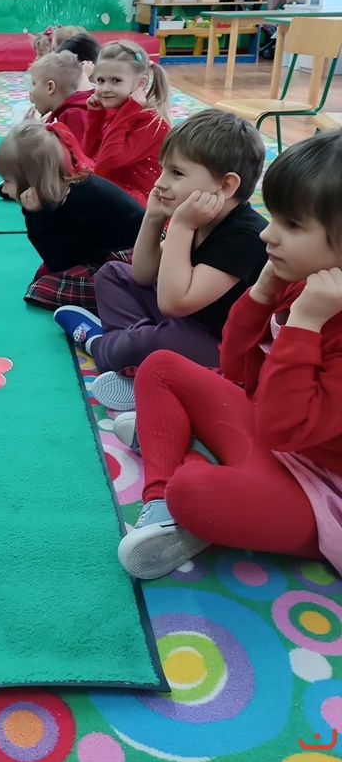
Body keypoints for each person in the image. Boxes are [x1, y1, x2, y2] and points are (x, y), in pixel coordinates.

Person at [116, 131, 342, 581]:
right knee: (160, 365)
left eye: (293, 225)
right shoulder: (305, 283)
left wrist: (304, 326)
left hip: (320, 492)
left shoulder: (317, 309)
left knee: (194, 491)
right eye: (274, 217)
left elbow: (284, 426)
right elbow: (237, 369)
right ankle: (160, 499)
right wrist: (261, 294)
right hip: (274, 442)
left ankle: (178, 449)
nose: (269, 234)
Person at [54, 110, 268, 412]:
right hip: (185, 324)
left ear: (225, 186)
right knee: (112, 273)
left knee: (153, 341)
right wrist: (154, 218)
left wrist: (180, 227)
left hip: (222, 349)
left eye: (176, 173)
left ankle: (100, 345)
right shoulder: (200, 217)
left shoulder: (245, 235)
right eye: (163, 169)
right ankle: (136, 360)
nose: (159, 182)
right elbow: (142, 275)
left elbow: (173, 304)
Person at [0, 120, 144, 310]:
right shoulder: (67, 188)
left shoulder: (78, 200)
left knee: (43, 287)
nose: (4, 189)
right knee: (46, 275)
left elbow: (59, 261)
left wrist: (36, 216)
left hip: (135, 257)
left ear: (32, 181)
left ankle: (130, 300)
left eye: (7, 180)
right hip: (116, 250)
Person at [84, 40, 172, 206]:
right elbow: (88, 158)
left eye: (116, 80)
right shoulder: (112, 113)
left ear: (140, 84)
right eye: (101, 80)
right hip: (114, 194)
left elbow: (106, 163)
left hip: (141, 206)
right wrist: (95, 118)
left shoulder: (152, 124)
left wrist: (126, 113)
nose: (105, 88)